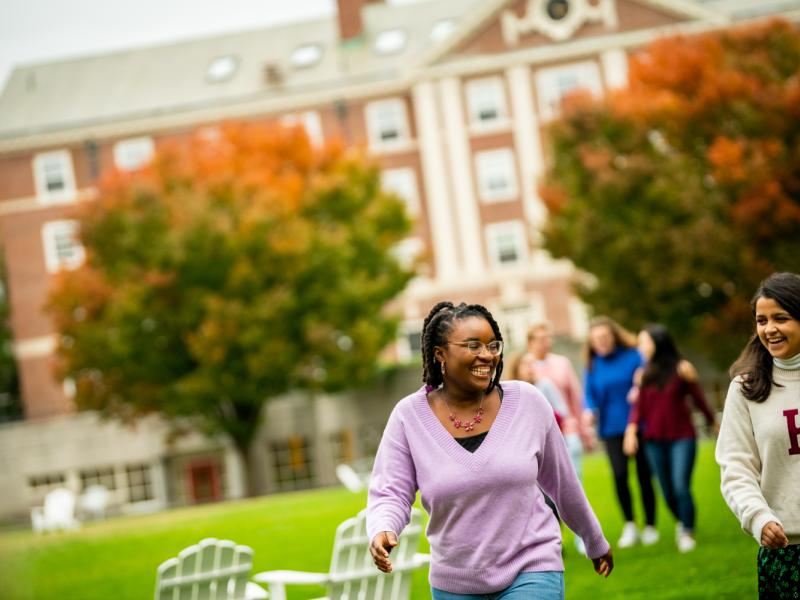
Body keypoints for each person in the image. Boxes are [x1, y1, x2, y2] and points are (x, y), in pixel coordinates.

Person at [367, 302, 613, 599]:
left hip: (531, 565)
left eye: (492, 344)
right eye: (472, 345)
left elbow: (563, 483)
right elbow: (390, 491)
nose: (487, 355)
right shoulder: (409, 416)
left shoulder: (528, 403)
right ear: (439, 353)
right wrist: (383, 527)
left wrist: (594, 540)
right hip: (454, 582)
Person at [716, 272, 800, 599]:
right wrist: (758, 518)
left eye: (781, 318)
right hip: (785, 553)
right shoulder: (747, 389)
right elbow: (736, 469)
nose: (769, 329)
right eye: (761, 320)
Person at [623, 324, 717, 553]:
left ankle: (687, 530)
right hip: (654, 440)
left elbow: (699, 399)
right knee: (666, 491)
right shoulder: (643, 374)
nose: (640, 347)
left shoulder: (682, 369)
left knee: (680, 486)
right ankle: (683, 519)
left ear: (658, 343)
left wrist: (714, 422)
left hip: (682, 437)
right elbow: (639, 409)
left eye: (644, 342)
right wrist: (631, 430)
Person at [584, 316, 658, 549]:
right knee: (619, 475)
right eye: (596, 339)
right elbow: (589, 395)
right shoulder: (593, 364)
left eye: (604, 337)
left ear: (614, 336)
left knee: (645, 475)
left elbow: (648, 380)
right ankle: (629, 525)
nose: (601, 342)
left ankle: (650, 526)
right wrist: (588, 411)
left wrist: (640, 387)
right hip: (611, 429)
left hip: (639, 426)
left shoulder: (634, 356)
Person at [527, 322, 594, 456]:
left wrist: (584, 430)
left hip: (567, 427)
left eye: (547, 338)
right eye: (540, 339)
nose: (545, 342)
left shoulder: (562, 363)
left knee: (574, 472)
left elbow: (575, 397)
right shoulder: (525, 367)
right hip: (538, 431)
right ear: (530, 342)